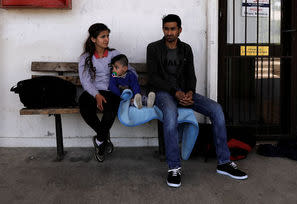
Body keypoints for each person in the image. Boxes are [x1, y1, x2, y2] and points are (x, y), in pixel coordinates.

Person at [146, 14, 248, 188]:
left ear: (180, 29)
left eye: (173, 29)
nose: (169, 32)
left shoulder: (186, 49)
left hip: (184, 93)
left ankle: (224, 162)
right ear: (163, 29)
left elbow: (190, 75)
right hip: (163, 93)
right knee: (170, 115)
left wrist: (190, 92)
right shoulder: (154, 48)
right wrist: (175, 92)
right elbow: (154, 78)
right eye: (166, 28)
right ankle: (174, 168)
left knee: (216, 109)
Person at [78, 23, 131, 162]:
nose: (106, 39)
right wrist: (96, 95)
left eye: (107, 36)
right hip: (93, 92)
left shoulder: (115, 54)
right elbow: (85, 81)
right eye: (103, 36)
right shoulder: (85, 58)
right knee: (83, 104)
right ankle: (104, 137)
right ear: (93, 39)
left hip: (111, 90)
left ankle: (100, 141)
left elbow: (129, 70)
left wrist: (124, 78)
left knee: (110, 109)